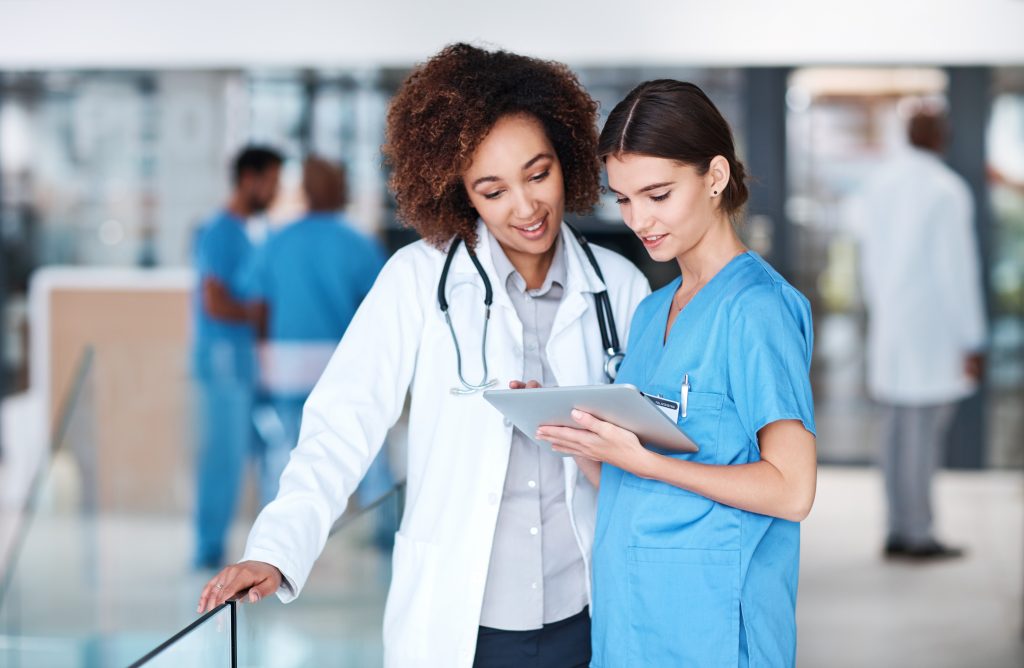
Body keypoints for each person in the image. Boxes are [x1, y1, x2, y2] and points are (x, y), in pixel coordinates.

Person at [196, 44, 650, 668]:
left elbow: (650, 453)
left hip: (591, 615)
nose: (524, 207)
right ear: (460, 193)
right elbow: (342, 423)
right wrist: (277, 548)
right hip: (463, 623)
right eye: (492, 191)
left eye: (538, 174)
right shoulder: (417, 280)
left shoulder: (620, 288)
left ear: (566, 157)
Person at [536, 80, 817, 667]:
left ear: (714, 177)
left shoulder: (757, 309)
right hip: (630, 621)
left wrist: (645, 460)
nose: (640, 219)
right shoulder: (651, 312)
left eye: (658, 194)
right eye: (624, 199)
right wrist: (581, 439)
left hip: (713, 626)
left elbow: (793, 490)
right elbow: (635, 488)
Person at [847, 109, 987, 560]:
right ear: (938, 137)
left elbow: (864, 253)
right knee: (921, 436)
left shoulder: (879, 184)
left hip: (891, 327)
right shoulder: (946, 189)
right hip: (932, 331)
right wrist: (973, 338)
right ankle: (918, 534)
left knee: (894, 433)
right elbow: (957, 272)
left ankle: (895, 529)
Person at [240, 156, 387, 506]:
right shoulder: (359, 243)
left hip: (287, 361)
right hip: (340, 360)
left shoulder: (277, 241)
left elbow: (258, 307)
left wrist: (263, 357)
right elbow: (379, 312)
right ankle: (384, 529)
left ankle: (271, 541)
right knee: (364, 443)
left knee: (285, 449)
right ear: (341, 189)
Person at [191, 145, 282, 570]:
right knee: (223, 459)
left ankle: (267, 550)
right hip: (224, 359)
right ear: (249, 178)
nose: (276, 190)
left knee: (264, 454)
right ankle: (208, 550)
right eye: (272, 181)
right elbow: (214, 302)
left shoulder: (252, 232)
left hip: (245, 362)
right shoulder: (221, 232)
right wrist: (259, 312)